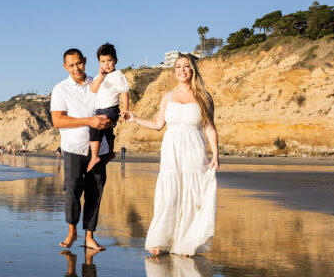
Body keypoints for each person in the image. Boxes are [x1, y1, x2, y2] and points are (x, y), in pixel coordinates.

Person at [123, 53, 218, 257]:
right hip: (171, 151)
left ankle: (187, 243)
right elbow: (158, 125)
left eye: (186, 66)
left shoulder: (203, 96)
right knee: (169, 195)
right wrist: (135, 118)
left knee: (192, 195)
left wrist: (216, 156)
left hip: (194, 150)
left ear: (192, 70)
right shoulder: (167, 97)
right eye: (178, 67)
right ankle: (160, 241)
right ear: (174, 71)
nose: (182, 70)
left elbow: (210, 128)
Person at [51, 48, 112, 251]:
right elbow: (57, 120)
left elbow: (109, 110)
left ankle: (89, 236)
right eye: (71, 65)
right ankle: (71, 232)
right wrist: (88, 121)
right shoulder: (60, 89)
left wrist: (107, 124)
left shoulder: (98, 83)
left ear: (85, 61)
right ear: (65, 67)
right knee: (72, 190)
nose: (76, 68)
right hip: (73, 148)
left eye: (79, 63)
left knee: (95, 191)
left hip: (98, 148)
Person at [87, 43, 129, 172]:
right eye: (103, 61)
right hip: (99, 109)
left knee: (95, 128)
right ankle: (110, 152)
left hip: (111, 108)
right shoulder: (98, 76)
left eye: (109, 61)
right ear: (99, 63)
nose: (106, 64)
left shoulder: (118, 76)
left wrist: (125, 109)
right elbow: (92, 89)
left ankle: (94, 157)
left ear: (115, 61)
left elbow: (124, 93)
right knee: (107, 132)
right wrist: (100, 77)